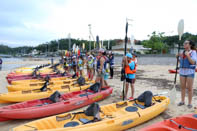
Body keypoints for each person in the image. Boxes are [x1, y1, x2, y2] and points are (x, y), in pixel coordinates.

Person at [177, 40, 197, 108]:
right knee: (182, 87)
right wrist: (177, 58)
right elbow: (181, 63)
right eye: (184, 43)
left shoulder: (193, 52)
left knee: (189, 88)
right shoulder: (182, 52)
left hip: (190, 72)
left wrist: (188, 55)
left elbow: (193, 62)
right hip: (182, 71)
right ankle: (182, 101)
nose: (184, 44)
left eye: (186, 43)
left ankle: (190, 103)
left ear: (190, 45)